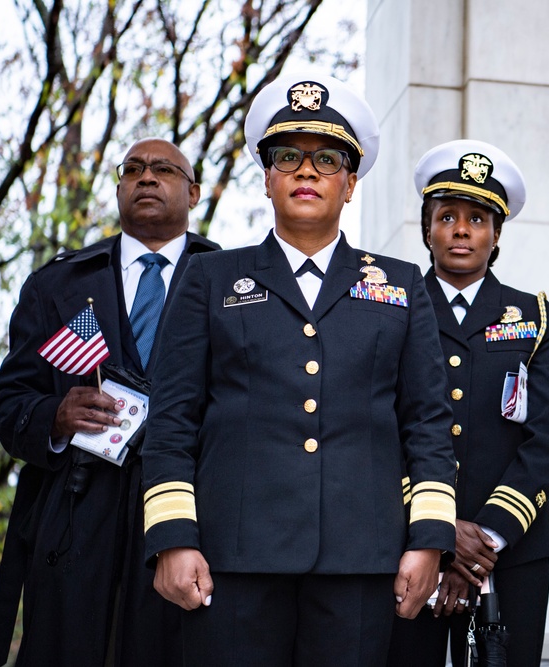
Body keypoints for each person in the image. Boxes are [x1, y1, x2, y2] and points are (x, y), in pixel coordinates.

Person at [141, 72, 458, 667]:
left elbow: (428, 425)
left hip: (361, 562)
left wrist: (430, 541)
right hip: (230, 562)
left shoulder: (401, 284)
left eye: (328, 160)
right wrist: (173, 537)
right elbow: (172, 421)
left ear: (350, 183)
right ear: (266, 179)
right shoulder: (208, 280)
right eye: (289, 157)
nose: (307, 171)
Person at [0, 138, 219, 667]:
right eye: (132, 169)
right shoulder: (58, 284)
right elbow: (5, 402)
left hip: (188, 516)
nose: (147, 177)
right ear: (119, 188)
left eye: (163, 169)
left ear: (194, 191)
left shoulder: (232, 283)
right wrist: (55, 417)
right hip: (75, 511)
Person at [386, 140, 549, 666]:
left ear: (496, 235)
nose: (461, 229)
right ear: (427, 231)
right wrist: (439, 534)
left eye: (478, 218)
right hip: (408, 546)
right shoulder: (391, 311)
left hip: (511, 553)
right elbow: (380, 430)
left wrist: (484, 540)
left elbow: (547, 439)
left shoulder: (532, 318)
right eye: (447, 216)